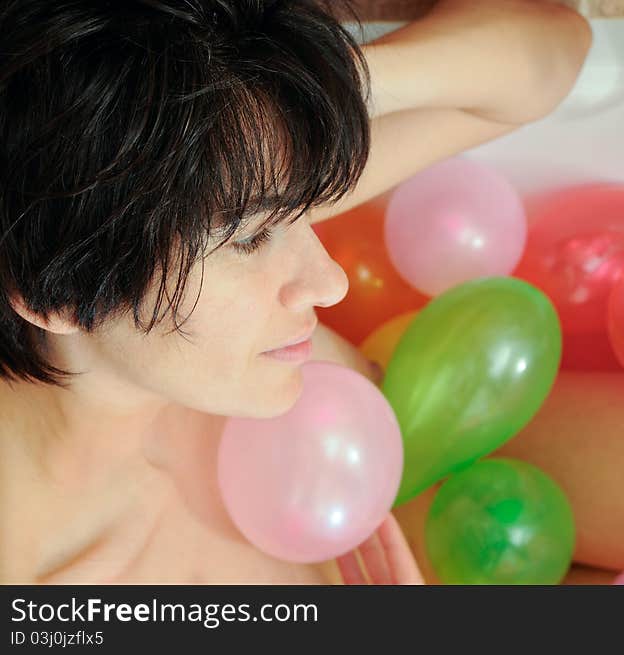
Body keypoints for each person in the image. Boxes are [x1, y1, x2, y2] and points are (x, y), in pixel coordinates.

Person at [0, 0, 592, 584]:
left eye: (304, 212)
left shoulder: (215, 186)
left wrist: (319, 93)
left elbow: (557, 50)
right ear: (60, 297)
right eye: (254, 239)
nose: (328, 282)